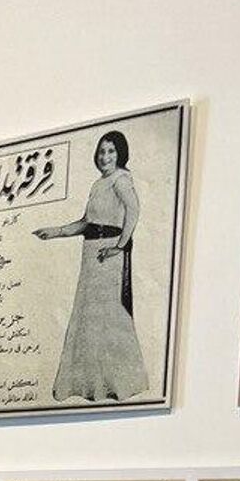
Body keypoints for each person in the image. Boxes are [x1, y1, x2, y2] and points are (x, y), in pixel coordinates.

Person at [34, 129, 149, 402]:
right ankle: (92, 386)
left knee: (109, 318)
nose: (105, 157)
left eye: (110, 151)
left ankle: (117, 384)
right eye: (101, 152)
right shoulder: (99, 184)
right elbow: (86, 222)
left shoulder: (121, 180)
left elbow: (134, 210)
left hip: (107, 256)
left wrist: (119, 246)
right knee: (89, 318)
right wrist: (56, 231)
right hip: (91, 255)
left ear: (120, 153)